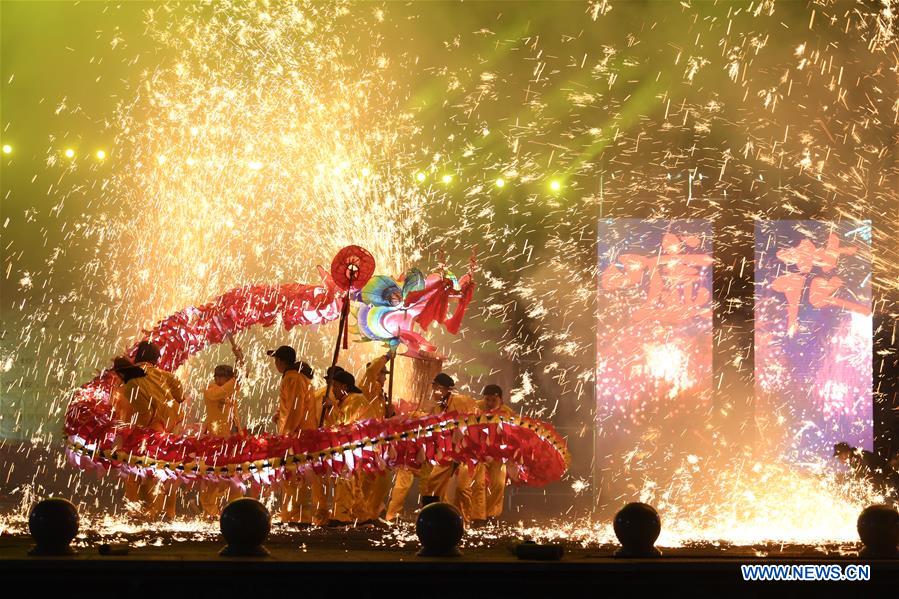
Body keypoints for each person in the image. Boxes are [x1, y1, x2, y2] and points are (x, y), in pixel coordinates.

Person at [118, 341, 187, 521]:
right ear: (156, 358)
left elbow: (134, 409)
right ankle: (169, 513)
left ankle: (143, 514)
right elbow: (180, 397)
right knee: (168, 471)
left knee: (139, 473)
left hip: (143, 431)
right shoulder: (166, 376)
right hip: (166, 430)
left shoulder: (129, 378)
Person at [268, 345, 322, 525]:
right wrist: (279, 414)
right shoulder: (296, 378)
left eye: (276, 360)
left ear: (281, 361)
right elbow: (290, 405)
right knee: (298, 476)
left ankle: (296, 516)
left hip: (296, 436)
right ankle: (297, 514)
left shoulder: (292, 378)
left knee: (293, 476)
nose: (275, 363)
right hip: (300, 434)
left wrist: (286, 434)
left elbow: (295, 409)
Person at [418, 373, 479, 522]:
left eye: (435, 389)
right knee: (433, 483)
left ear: (443, 389)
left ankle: (465, 521)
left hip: (468, 452)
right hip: (447, 452)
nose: (433, 392)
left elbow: (477, 423)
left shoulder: (461, 401)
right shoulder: (437, 409)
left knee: (463, 488)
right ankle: (437, 517)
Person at [324, 370, 380, 526]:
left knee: (345, 479)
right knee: (353, 482)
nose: (333, 389)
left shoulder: (355, 399)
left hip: (358, 446)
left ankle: (341, 517)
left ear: (344, 386)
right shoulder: (347, 400)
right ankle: (362, 516)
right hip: (355, 446)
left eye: (335, 385)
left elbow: (345, 425)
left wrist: (332, 407)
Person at [198, 347, 244, 519]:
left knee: (235, 478)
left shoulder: (229, 389)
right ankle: (210, 514)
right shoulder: (211, 391)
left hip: (233, 440)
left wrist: (241, 361)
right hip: (215, 441)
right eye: (218, 377)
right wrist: (235, 377)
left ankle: (237, 512)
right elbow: (226, 389)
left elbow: (240, 380)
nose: (219, 379)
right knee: (212, 478)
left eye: (222, 377)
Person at [471, 384, 514, 525]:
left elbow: (515, 437)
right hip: (478, 454)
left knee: (499, 484)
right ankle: (478, 517)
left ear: (500, 400)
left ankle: (490, 515)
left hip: (498, 455)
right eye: (487, 400)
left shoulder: (508, 414)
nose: (489, 404)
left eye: (493, 400)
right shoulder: (475, 408)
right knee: (478, 483)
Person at [834, 442, 899, 498]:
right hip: (887, 485)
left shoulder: (859, 459)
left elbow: (871, 478)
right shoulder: (856, 458)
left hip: (889, 485)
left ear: (845, 453)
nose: (839, 459)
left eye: (839, 456)